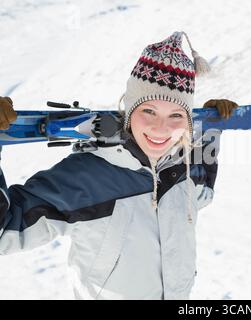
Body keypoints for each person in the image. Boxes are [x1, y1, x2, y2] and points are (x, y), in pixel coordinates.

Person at [0, 31, 238, 300]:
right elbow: (5, 230)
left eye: (176, 115)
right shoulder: (86, 178)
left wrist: (211, 128)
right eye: (149, 111)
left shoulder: (184, 169)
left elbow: (203, 190)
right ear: (129, 110)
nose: (162, 128)